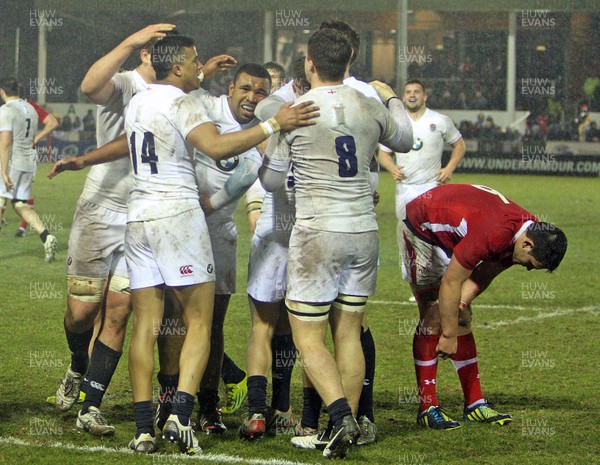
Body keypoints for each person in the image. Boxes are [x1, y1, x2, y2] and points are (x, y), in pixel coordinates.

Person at [124, 34, 318, 454]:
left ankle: (143, 430)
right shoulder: (186, 102)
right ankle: (180, 415)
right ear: (178, 67)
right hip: (178, 215)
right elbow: (213, 145)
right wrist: (273, 124)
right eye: (195, 62)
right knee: (201, 323)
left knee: (145, 327)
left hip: (138, 214)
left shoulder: (138, 99)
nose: (202, 68)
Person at [259, 28, 412, 459]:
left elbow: (270, 180)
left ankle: (340, 416)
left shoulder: (297, 110)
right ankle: (344, 426)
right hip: (363, 231)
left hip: (317, 233)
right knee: (348, 333)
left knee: (308, 339)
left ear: (309, 64)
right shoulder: (368, 103)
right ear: (350, 62)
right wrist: (391, 96)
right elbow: (404, 139)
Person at [50, 24, 178, 440]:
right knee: (83, 313)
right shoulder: (124, 83)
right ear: (144, 54)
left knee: (120, 311)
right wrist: (130, 40)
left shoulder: (176, 94)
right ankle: (77, 364)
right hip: (100, 210)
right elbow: (89, 85)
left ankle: (91, 406)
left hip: (141, 214)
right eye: (154, 50)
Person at [153, 63, 274, 435]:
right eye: (247, 89)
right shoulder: (205, 106)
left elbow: (246, 176)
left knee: (213, 323)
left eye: (261, 92)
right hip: (179, 224)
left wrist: (214, 202)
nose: (253, 98)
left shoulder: (259, 132)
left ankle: (208, 405)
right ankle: (169, 395)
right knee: (173, 315)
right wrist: (202, 69)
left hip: (219, 231)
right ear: (231, 88)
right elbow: (178, 89)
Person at [399, 183, 567, 430]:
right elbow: (451, 281)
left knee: (461, 315)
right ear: (527, 245)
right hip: (421, 228)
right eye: (531, 264)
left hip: (452, 233)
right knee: (433, 316)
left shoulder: (525, 234)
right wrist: (448, 334)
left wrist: (458, 309)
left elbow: (485, 273)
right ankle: (427, 407)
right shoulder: (496, 232)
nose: (529, 268)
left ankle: (475, 403)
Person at [238, 60, 311, 440]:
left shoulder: (273, 119)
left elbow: (265, 178)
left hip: (276, 230)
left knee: (265, 327)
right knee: (293, 329)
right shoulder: (319, 117)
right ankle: (279, 410)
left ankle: (260, 412)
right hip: (304, 233)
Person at [0, 77, 57, 261]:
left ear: (2, 91)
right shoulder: (31, 108)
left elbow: (6, 142)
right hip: (29, 162)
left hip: (12, 161)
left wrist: (3, 171)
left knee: (1, 200)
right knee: (19, 204)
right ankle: (46, 236)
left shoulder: (7, 110)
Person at [14, 99, 59, 237]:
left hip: (14, 153)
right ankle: (26, 229)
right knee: (25, 194)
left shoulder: (7, 108)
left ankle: (32, 231)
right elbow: (53, 122)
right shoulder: (30, 105)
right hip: (27, 154)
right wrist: (36, 138)